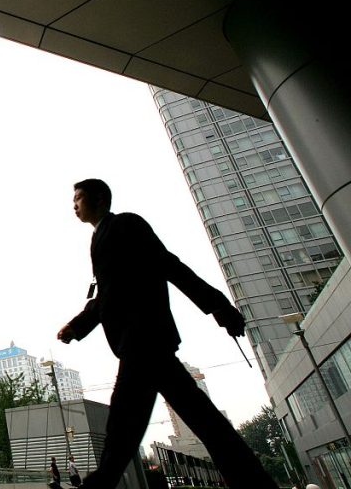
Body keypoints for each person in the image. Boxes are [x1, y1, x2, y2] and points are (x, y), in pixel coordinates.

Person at [57, 179, 279, 489]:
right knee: (198, 419)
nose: (74, 205)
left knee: (125, 420)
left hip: (143, 337)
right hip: (142, 342)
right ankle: (254, 482)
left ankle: (101, 483)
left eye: (78, 198)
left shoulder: (125, 224)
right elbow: (109, 294)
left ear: (99, 199)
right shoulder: (100, 238)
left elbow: (167, 264)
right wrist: (78, 326)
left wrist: (218, 306)